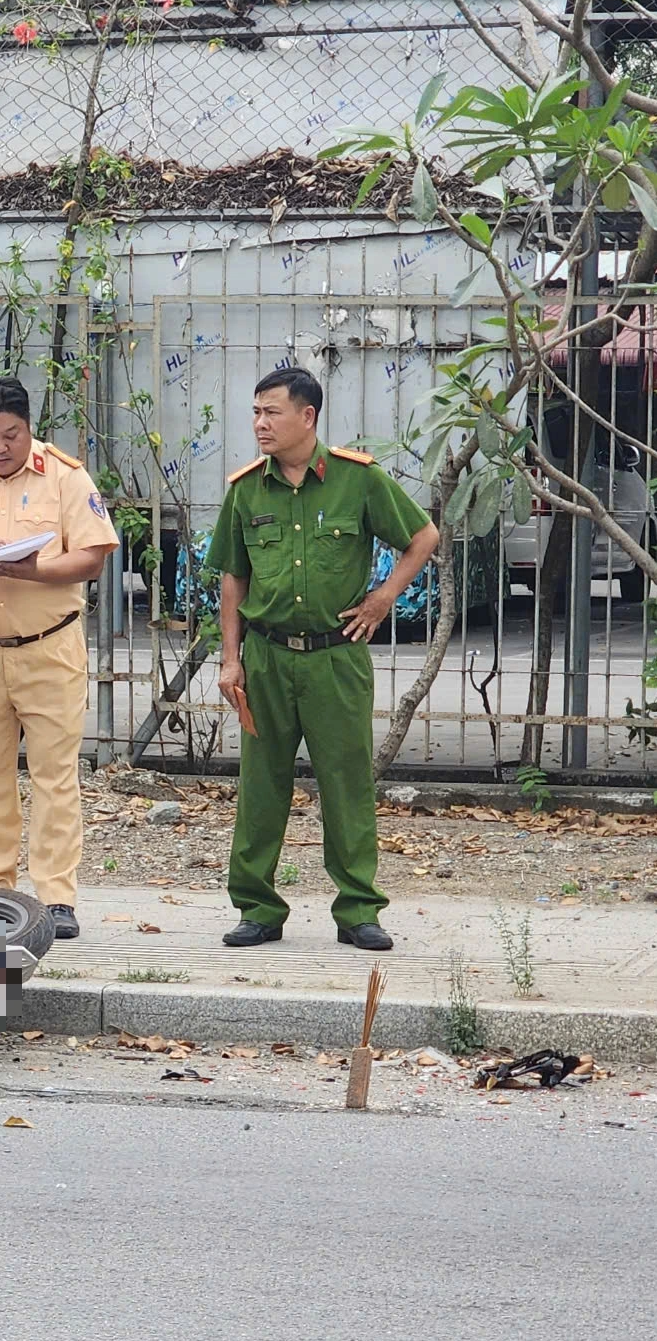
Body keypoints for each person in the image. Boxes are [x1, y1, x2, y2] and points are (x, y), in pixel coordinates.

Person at [210, 366, 439, 952]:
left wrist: (385, 595)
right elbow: (233, 578)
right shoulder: (245, 490)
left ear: (306, 417)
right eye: (256, 412)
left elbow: (423, 536)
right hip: (265, 656)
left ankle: (358, 909)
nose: (260, 423)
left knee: (346, 783)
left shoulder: (356, 481)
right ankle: (258, 907)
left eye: (272, 412)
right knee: (261, 785)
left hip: (336, 658)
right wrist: (230, 659)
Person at [0, 376, 119, 941]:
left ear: (29, 428)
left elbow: (92, 557)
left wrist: (32, 570)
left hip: (49, 646)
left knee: (55, 774)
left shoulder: (64, 475)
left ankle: (57, 896)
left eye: (11, 434)